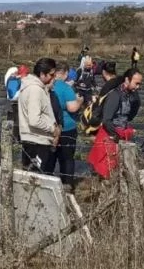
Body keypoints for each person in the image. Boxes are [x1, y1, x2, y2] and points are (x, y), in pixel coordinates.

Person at [87, 69, 143, 179]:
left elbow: (128, 116)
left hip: (118, 136)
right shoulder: (115, 95)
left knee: (117, 172)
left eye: (139, 84)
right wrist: (117, 136)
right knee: (107, 174)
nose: (138, 87)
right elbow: (107, 120)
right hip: (109, 138)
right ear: (127, 80)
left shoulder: (129, 95)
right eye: (136, 83)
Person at [17, 59, 61, 172]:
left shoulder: (36, 88)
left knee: (31, 177)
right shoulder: (35, 90)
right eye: (51, 75)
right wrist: (53, 129)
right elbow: (34, 120)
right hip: (37, 141)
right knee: (35, 178)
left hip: (35, 139)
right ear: (42, 74)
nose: (54, 78)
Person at [49, 62, 81, 190]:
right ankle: (67, 184)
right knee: (67, 158)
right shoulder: (66, 88)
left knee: (51, 156)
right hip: (67, 128)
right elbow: (72, 108)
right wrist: (80, 101)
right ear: (66, 73)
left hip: (51, 127)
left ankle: (48, 182)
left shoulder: (49, 86)